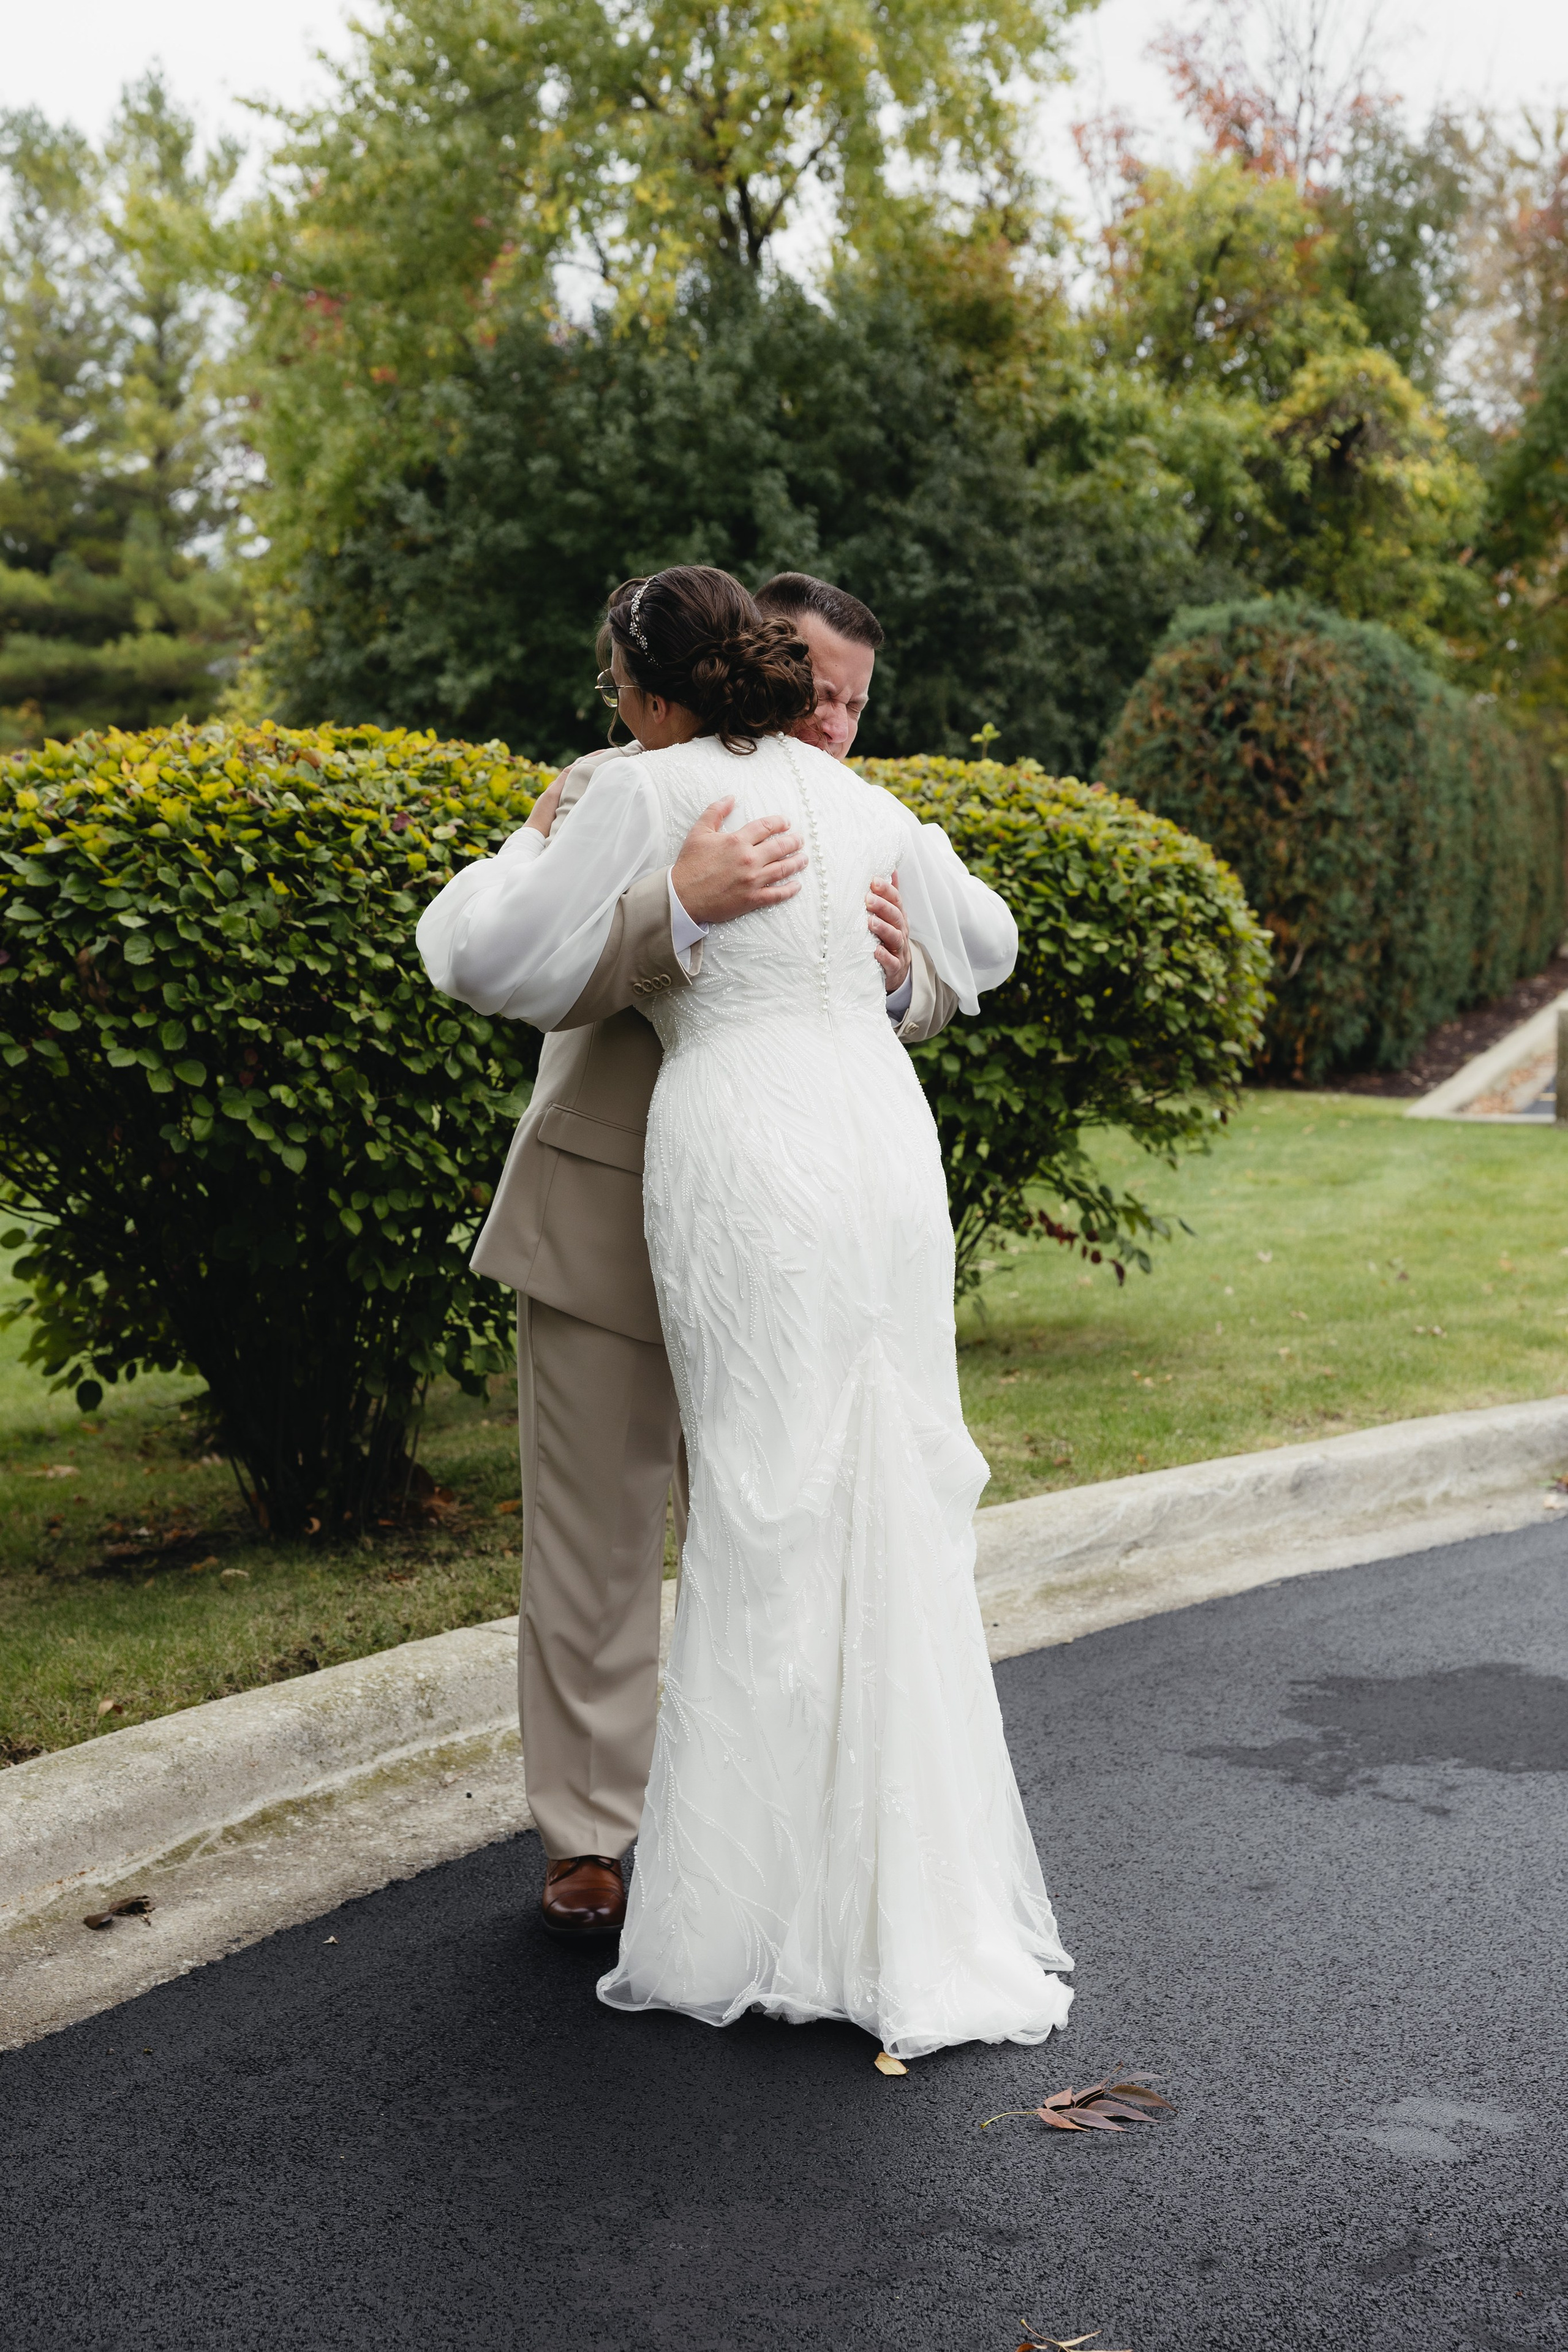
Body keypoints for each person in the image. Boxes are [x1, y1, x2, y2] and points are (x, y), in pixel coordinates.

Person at [420, 567, 1072, 2059]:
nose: (837, 720)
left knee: (788, 1514)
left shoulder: (831, 807)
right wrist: (668, 906)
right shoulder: (629, 790)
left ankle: (769, 1871)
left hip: (752, 1182)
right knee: (632, 1528)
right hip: (672, 1194)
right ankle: (605, 1839)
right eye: (820, 692)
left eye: (855, 701)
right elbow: (551, 971)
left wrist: (899, 979)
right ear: (766, 669)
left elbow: (470, 952)